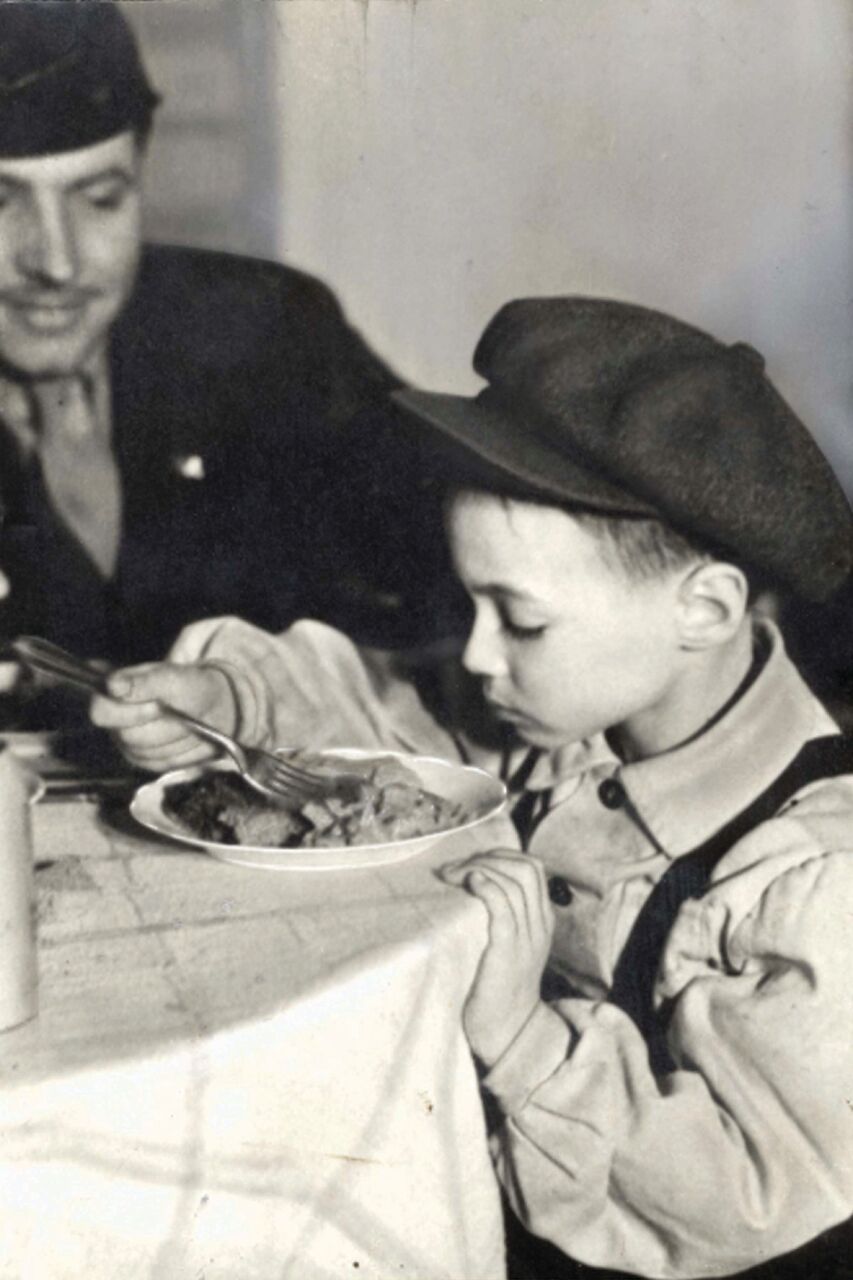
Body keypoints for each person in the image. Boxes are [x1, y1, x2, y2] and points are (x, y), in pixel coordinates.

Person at [91, 296, 853, 1278]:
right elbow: (392, 709)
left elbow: (743, 1200)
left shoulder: (813, 881)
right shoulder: (567, 713)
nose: (481, 655)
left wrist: (526, 1041)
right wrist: (231, 698)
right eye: (472, 604)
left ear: (703, 609)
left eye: (521, 621)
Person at [0, 2, 448, 718]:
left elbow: (462, 557)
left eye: (100, 199)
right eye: (1, 202)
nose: (55, 261)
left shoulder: (264, 330)